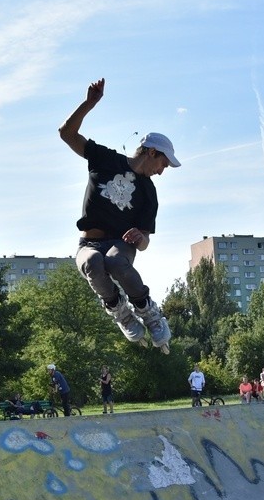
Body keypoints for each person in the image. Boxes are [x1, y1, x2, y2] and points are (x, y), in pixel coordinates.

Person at [59, 78, 181, 352]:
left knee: (114, 261)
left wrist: (140, 237)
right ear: (151, 152)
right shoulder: (105, 159)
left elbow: (146, 241)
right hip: (87, 243)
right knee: (92, 262)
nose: (161, 171)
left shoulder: (149, 192)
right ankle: (120, 311)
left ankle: (149, 312)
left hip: (120, 245)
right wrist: (88, 104)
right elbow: (66, 133)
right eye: (163, 163)